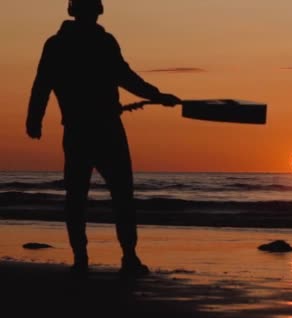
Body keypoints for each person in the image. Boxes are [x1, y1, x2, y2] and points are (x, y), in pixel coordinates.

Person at [26, 0, 180, 275]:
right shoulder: (89, 43)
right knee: (116, 193)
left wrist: (34, 120)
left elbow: (43, 84)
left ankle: (90, 257)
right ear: (91, 11)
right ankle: (122, 256)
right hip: (101, 128)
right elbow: (126, 77)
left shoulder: (64, 44)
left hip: (83, 129)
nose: (92, 16)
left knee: (83, 195)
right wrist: (156, 95)